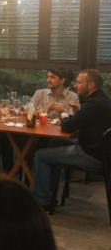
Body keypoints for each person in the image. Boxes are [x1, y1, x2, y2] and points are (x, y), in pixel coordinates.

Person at [33, 69, 111, 207]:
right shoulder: (104, 100)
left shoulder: (93, 104)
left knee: (40, 155)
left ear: (91, 85)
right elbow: (79, 122)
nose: (75, 85)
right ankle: (49, 189)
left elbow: (68, 127)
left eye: (79, 82)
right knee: (54, 142)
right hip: (101, 152)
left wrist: (63, 114)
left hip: (91, 155)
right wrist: (73, 115)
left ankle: (42, 202)